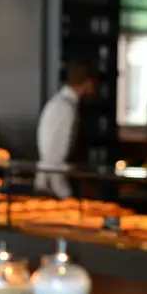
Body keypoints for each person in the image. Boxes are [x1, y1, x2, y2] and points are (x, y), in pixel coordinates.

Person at [35, 59, 98, 198]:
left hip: (51, 180)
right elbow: (56, 152)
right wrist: (64, 193)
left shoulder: (60, 103)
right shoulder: (64, 107)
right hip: (54, 186)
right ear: (88, 82)